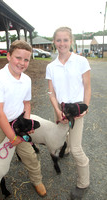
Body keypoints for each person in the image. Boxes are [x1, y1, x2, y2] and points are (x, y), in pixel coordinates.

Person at [0, 40, 46, 197]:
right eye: (18, 58)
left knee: (30, 155)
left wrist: (26, 123)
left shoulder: (26, 80)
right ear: (8, 56)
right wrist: (12, 138)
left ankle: (37, 180)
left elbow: (26, 103)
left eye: (26, 59)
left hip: (17, 123)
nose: (22, 63)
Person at [46, 27, 91, 199]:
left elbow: (87, 86)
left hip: (77, 108)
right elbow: (51, 92)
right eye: (59, 40)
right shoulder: (51, 66)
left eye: (65, 40)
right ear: (54, 42)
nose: (62, 43)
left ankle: (83, 183)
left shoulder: (81, 61)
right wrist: (57, 111)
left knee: (77, 149)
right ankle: (65, 148)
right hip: (61, 107)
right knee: (61, 135)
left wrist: (85, 108)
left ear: (71, 41)